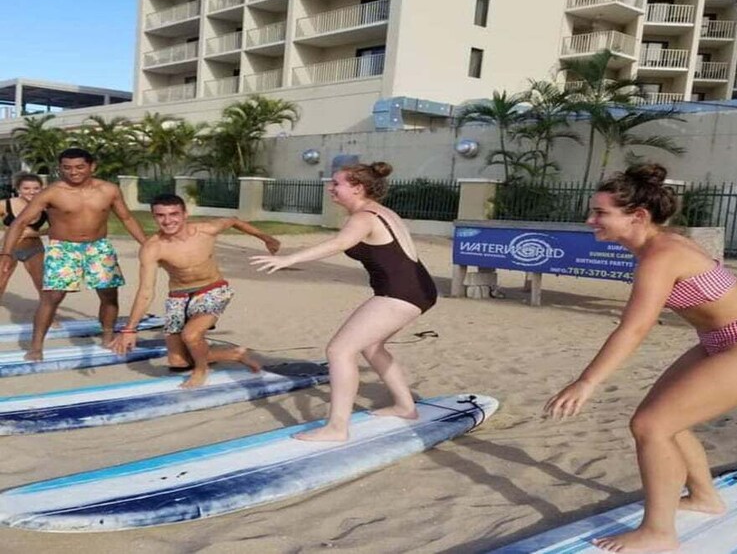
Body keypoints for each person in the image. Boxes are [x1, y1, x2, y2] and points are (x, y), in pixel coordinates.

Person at [544, 164, 737, 553]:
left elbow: (634, 329)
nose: (590, 219)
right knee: (666, 419)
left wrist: (587, 382)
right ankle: (704, 497)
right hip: (724, 340)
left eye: (600, 213)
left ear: (638, 216)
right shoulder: (660, 246)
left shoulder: (661, 256)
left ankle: (659, 534)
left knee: (652, 425)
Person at [251, 162, 437, 442]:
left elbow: (339, 243)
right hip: (416, 289)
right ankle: (405, 406)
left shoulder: (364, 217)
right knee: (371, 347)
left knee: (339, 351)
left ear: (358, 188)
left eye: (336, 184)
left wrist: (289, 258)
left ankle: (337, 428)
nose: (330, 188)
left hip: (400, 292)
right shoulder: (378, 211)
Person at [110, 194, 281, 388]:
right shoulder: (153, 248)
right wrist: (130, 329)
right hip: (179, 298)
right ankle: (234, 354)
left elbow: (233, 221)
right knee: (178, 362)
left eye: (174, 214)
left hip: (213, 289)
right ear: (154, 217)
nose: (168, 220)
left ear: (185, 214)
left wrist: (266, 237)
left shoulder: (206, 230)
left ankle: (201, 370)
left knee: (191, 335)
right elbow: (146, 291)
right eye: (160, 216)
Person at [0, 148, 147, 360]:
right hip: (64, 248)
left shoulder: (109, 190)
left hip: (98, 247)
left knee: (108, 294)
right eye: (67, 168)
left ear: (92, 166)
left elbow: (127, 218)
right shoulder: (52, 192)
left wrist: (146, 244)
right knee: (52, 297)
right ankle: (36, 347)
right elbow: (20, 222)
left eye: (79, 167)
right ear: (60, 168)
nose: (73, 172)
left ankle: (107, 336)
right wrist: (6, 253)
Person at [0, 172, 48, 299]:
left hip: (34, 250)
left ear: (41, 189)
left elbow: (59, 228)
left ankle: (49, 317)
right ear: (18, 189)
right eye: (26, 188)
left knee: (42, 284)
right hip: (9, 249)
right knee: (1, 281)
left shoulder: (46, 207)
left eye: (36, 188)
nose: (31, 192)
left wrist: (35, 233)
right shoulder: (5, 204)